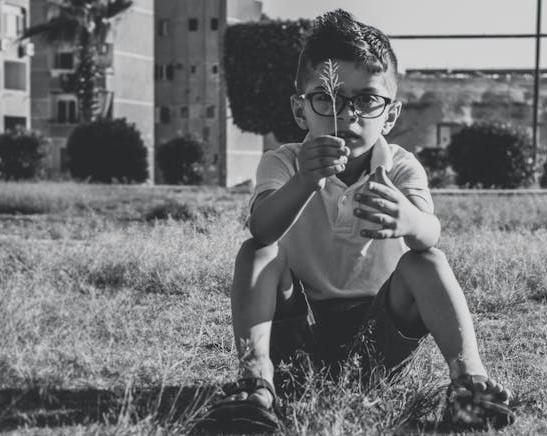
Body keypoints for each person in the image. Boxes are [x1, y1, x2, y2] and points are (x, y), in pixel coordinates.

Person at [200, 9, 515, 433]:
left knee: (428, 261)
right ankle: (255, 384)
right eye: (326, 98)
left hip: (378, 339)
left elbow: (431, 233)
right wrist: (305, 182)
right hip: (298, 336)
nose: (345, 115)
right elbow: (262, 228)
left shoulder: (401, 167)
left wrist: (408, 220)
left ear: (390, 114)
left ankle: (470, 384)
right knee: (258, 252)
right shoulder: (283, 162)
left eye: (366, 99)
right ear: (300, 110)